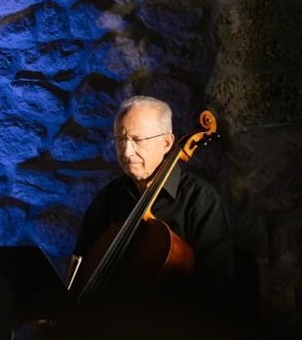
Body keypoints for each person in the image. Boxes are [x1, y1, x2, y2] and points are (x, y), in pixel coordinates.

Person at [69, 95, 236, 310]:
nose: (127, 152)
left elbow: (218, 289)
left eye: (137, 140)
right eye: (120, 140)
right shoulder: (107, 199)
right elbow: (79, 273)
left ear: (167, 143)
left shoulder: (200, 199)